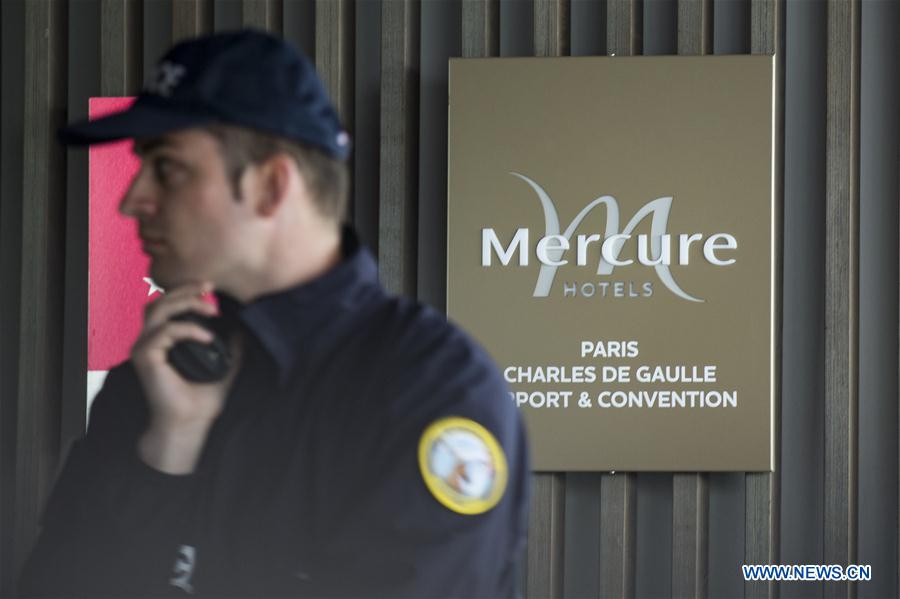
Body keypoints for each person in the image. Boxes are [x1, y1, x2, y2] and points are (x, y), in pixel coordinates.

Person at [19, 29, 530, 598]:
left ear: (270, 185)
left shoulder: (430, 389)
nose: (132, 198)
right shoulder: (157, 377)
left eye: (167, 168)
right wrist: (167, 455)